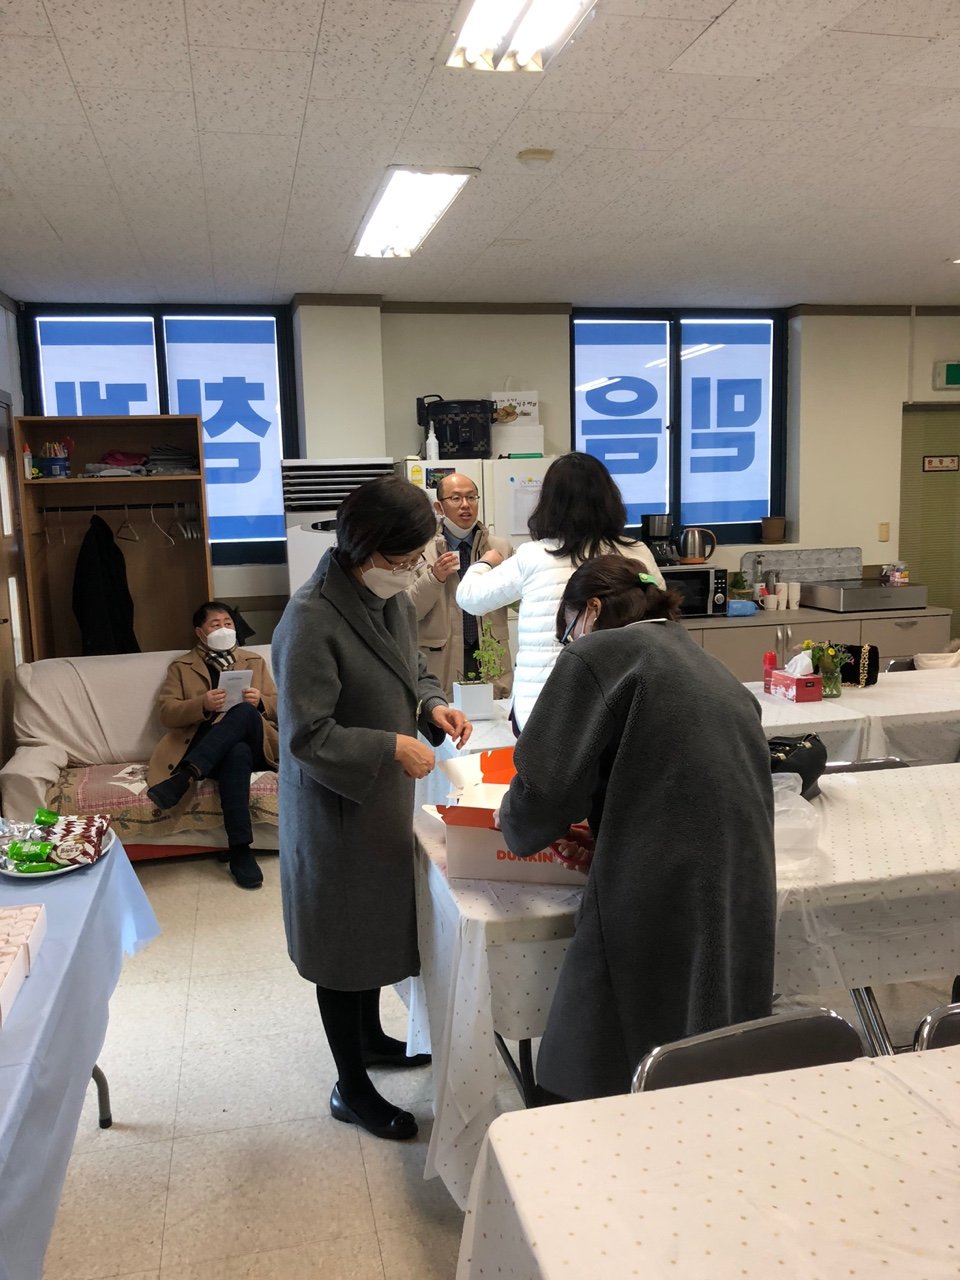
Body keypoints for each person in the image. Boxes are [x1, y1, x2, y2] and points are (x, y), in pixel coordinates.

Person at [497, 555, 776, 1102]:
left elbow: (542, 795)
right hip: (739, 883)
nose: (569, 642)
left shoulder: (597, 653)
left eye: (567, 630)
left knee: (592, 1062)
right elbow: (672, 776)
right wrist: (612, 832)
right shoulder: (703, 662)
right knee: (704, 1050)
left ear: (591, 610)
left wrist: (514, 822)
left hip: (661, 889)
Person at [271, 476, 472, 1142]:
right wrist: (390, 745)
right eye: (404, 558)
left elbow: (411, 668)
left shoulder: (386, 600)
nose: (414, 570)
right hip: (333, 806)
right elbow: (306, 736)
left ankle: (371, 1039)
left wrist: (431, 706)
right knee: (340, 946)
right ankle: (350, 1089)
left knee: (372, 931)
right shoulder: (310, 618)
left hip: (380, 800)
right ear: (365, 546)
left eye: (420, 556)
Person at [456, 451, 664, 729]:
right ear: (609, 500)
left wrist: (485, 562)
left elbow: (469, 598)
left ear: (549, 504)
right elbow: (662, 617)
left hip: (544, 707)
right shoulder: (637, 553)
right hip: (620, 702)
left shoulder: (533, 556)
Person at [146, 602, 278, 889]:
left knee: (244, 712)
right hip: (212, 747)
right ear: (200, 632)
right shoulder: (182, 667)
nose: (224, 629)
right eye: (215, 624)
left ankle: (186, 775)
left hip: (257, 742)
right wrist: (202, 704)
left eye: (228, 623)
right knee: (236, 753)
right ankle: (240, 851)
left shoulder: (253, 660)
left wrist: (261, 702)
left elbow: (281, 707)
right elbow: (167, 713)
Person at [407, 471, 513, 699]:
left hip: (489, 652)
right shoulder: (421, 549)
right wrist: (434, 577)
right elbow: (409, 610)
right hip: (441, 656)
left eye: (471, 497)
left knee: (494, 715)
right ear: (439, 507)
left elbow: (519, 603)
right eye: (456, 498)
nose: (466, 505)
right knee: (446, 715)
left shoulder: (500, 548)